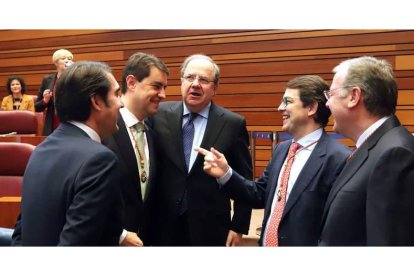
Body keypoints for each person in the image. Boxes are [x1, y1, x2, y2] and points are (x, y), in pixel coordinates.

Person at [196, 75, 351, 246]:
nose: (279, 108)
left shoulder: (339, 158)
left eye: (287, 101)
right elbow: (259, 194)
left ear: (312, 107)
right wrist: (226, 174)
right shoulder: (281, 150)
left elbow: (340, 227)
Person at [12, 61, 123, 246]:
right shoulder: (99, 160)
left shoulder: (40, 150)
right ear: (96, 101)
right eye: (117, 94)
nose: (121, 104)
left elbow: (20, 233)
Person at [149, 54, 252, 246]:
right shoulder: (158, 115)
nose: (196, 84)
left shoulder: (232, 123)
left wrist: (238, 227)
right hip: (161, 225)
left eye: (204, 80)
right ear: (181, 82)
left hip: (210, 228)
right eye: (190, 78)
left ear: (214, 88)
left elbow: (244, 178)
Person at [319, 56, 414, 246]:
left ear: (354, 96)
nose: (327, 104)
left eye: (331, 94)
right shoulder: (375, 146)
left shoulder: (395, 154)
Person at [103, 52, 168, 246]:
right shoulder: (104, 128)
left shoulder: (151, 131)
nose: (163, 95)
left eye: (164, 87)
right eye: (156, 86)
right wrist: (120, 235)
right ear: (131, 83)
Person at [35, 49, 74, 135]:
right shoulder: (47, 80)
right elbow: (37, 108)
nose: (67, 61)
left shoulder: (76, 78)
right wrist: (45, 100)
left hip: (72, 122)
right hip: (53, 123)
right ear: (56, 63)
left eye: (69, 59)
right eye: (63, 58)